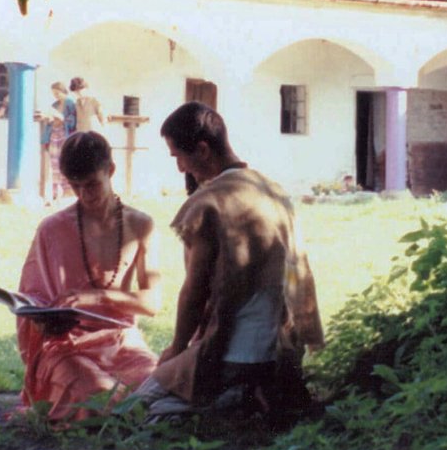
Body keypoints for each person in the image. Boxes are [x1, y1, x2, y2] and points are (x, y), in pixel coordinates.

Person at [133, 102, 324, 426]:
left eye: (179, 156)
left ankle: (226, 405)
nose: (180, 168)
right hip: (280, 352)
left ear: (203, 150)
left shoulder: (209, 203)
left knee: (137, 408)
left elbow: (195, 291)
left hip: (231, 353)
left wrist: (178, 348)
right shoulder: (272, 191)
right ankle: (249, 397)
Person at [15, 131, 161, 422]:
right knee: (94, 392)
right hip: (66, 345)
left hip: (121, 340)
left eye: (92, 184)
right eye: (75, 186)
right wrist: (43, 318)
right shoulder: (52, 228)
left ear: (111, 170)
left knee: (155, 387)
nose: (84, 195)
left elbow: (152, 302)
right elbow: (32, 299)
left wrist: (96, 296)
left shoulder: (141, 224)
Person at [37, 82, 78, 204]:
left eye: (57, 93)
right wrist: (49, 118)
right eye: (54, 93)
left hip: (64, 134)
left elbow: (72, 121)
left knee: (65, 161)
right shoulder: (54, 105)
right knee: (54, 163)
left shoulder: (70, 103)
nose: (56, 95)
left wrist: (61, 118)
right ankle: (54, 192)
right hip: (54, 133)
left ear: (63, 91)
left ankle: (67, 190)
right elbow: (51, 119)